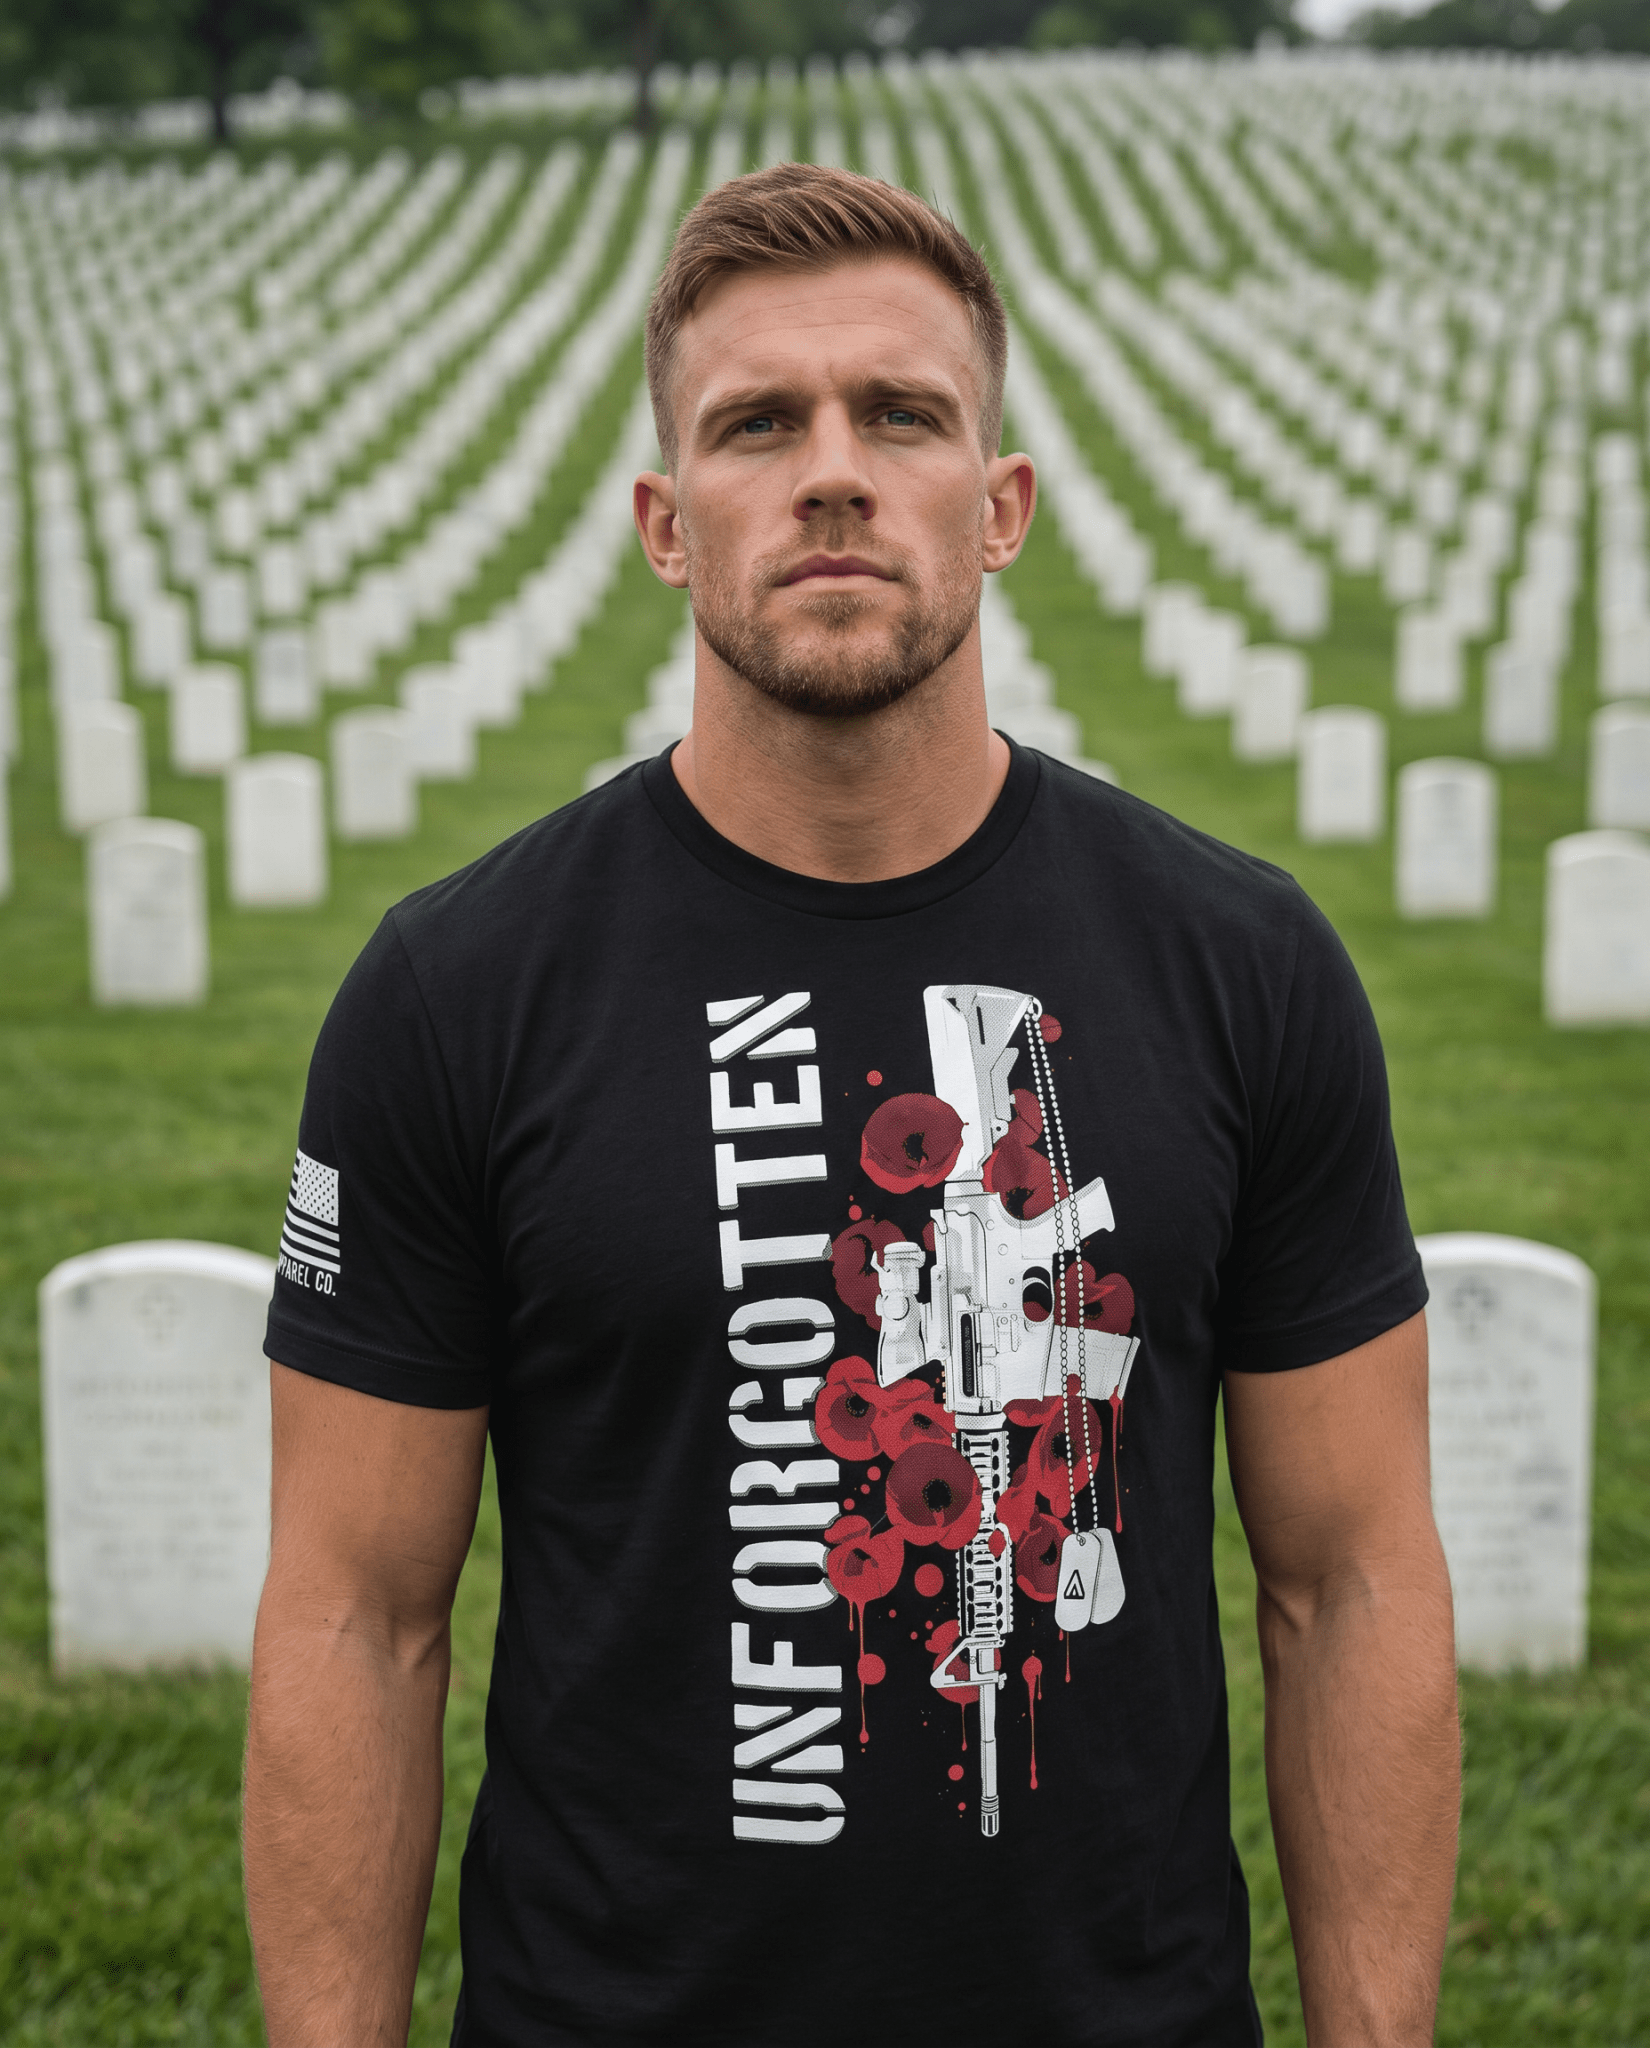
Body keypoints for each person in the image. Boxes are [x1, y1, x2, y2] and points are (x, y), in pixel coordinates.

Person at [244, 164, 1460, 2048]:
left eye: (900, 414)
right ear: (665, 522)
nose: (832, 470)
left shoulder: (1240, 962)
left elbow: (1348, 1581)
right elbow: (354, 1616)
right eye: (755, 425)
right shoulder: (456, 990)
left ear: (1000, 507)